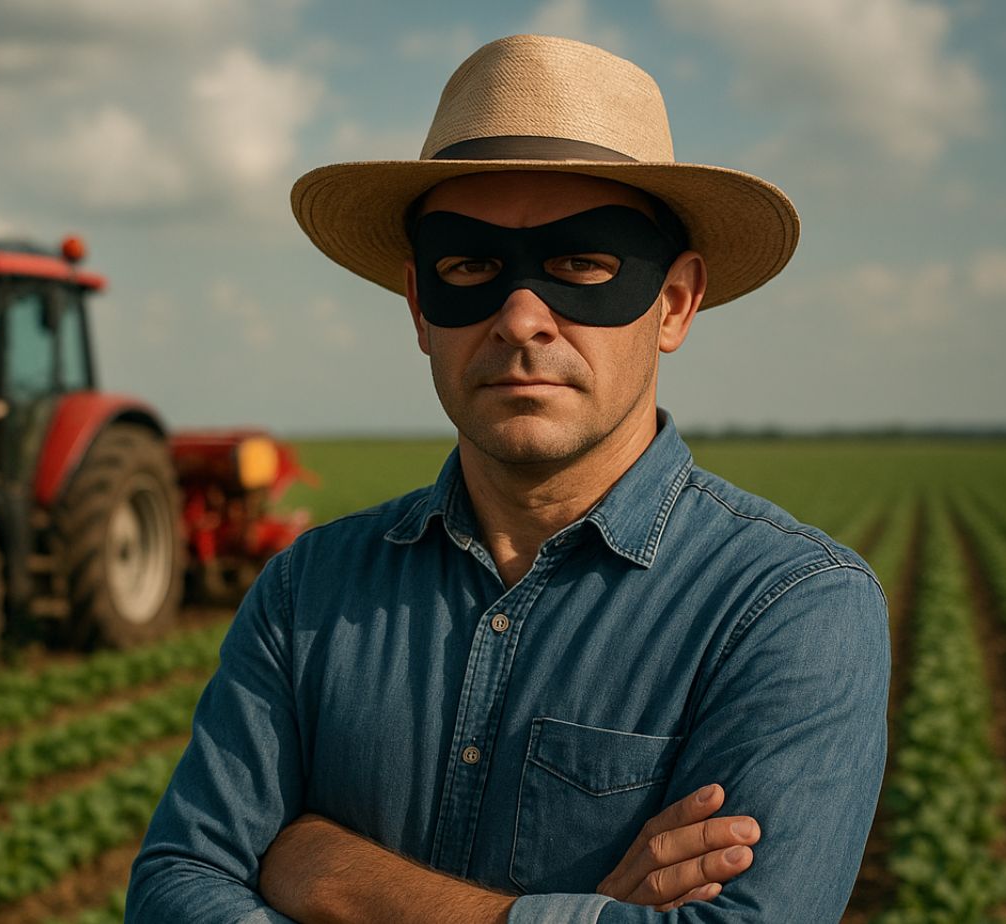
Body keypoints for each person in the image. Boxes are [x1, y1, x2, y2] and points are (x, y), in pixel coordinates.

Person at [128, 34, 889, 922]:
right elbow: (176, 888)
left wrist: (325, 871)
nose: (522, 316)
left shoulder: (791, 608)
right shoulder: (308, 591)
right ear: (419, 306)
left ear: (675, 302)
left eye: (582, 264)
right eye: (469, 267)